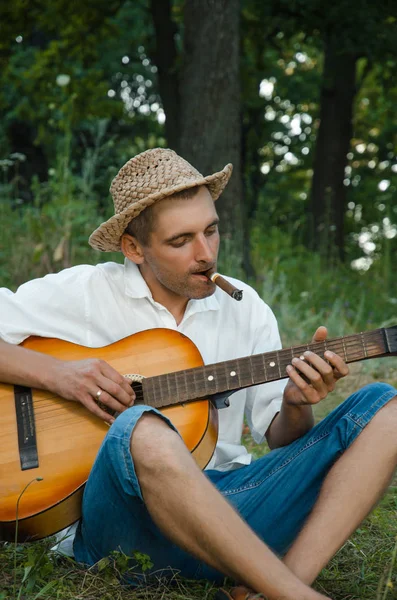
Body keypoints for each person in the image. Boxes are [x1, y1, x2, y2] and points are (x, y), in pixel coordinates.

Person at [0, 148, 396, 600]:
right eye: (180, 240)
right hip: (123, 529)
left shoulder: (246, 309)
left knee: (385, 409)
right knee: (140, 426)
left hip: (235, 511)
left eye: (211, 231)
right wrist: (59, 376)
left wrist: (295, 402)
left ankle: (269, 589)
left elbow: (284, 439)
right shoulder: (87, 293)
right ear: (133, 248)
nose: (205, 254)